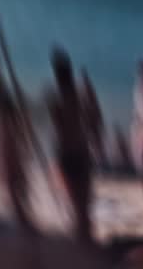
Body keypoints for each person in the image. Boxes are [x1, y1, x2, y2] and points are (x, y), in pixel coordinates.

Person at [46, 48, 93, 243]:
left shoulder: (57, 98)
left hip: (69, 153)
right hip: (79, 151)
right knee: (83, 205)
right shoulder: (79, 96)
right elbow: (91, 121)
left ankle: (82, 243)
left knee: (77, 205)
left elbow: (57, 128)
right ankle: (85, 241)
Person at [0, 46, 35, 233]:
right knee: (15, 188)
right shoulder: (6, 116)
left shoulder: (5, 116)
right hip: (11, 150)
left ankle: (22, 221)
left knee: (15, 186)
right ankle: (22, 220)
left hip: (11, 152)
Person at [80, 68, 107, 166]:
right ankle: (96, 161)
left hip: (92, 121)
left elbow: (95, 107)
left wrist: (98, 121)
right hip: (89, 121)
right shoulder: (85, 91)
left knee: (96, 143)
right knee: (92, 143)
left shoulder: (88, 90)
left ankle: (99, 162)